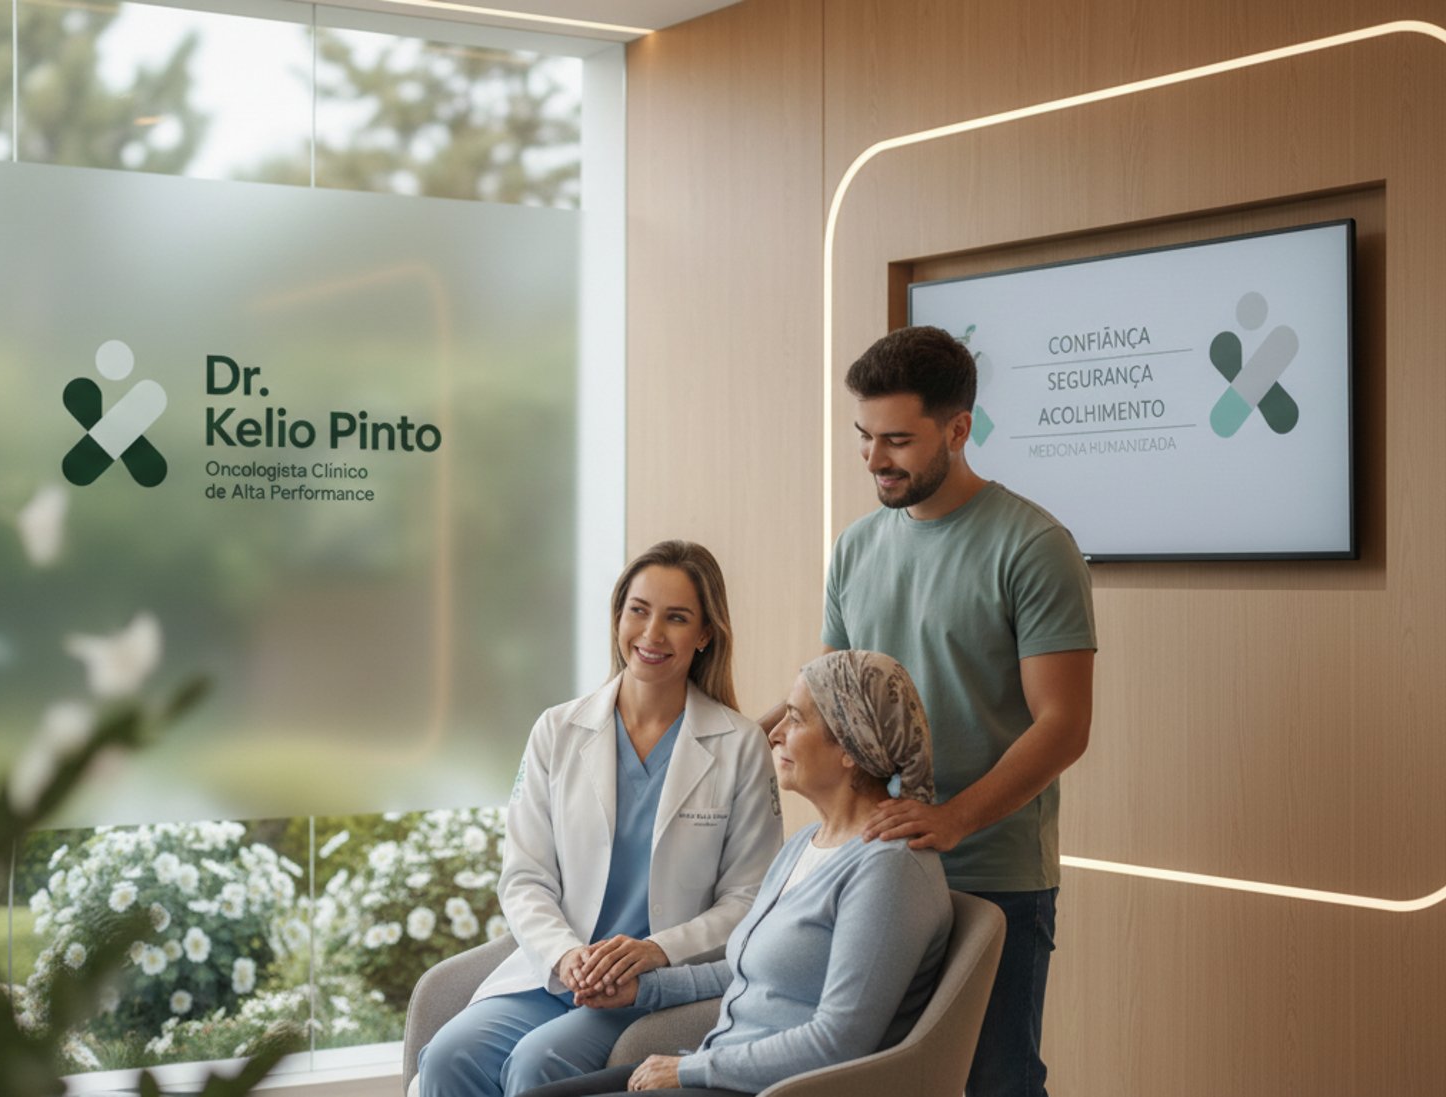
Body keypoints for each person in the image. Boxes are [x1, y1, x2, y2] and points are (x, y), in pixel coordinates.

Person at [770, 325, 1096, 1097]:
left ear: (958, 429)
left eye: (897, 440)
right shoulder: (854, 548)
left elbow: (1064, 725)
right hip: (869, 869)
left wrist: (953, 818)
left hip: (991, 874)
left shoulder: (1034, 545)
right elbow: (834, 701)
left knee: (995, 1084)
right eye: (864, 436)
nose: (875, 459)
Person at [418, 541, 782, 1097]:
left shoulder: (739, 746)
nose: (652, 633)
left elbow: (748, 900)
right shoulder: (557, 731)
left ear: (705, 634)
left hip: (648, 986)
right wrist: (567, 957)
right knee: (447, 1056)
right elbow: (525, 877)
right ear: (618, 615)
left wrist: (656, 950)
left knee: (537, 1065)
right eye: (638, 610)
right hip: (557, 970)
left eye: (677, 618)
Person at [518, 650, 952, 1097]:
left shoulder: (888, 871)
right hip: (720, 1070)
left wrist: (688, 1071)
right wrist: (640, 989)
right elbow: (745, 969)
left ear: (849, 747)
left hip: (765, 1088)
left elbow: (838, 1043)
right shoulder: (805, 844)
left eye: (796, 720)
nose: (776, 734)